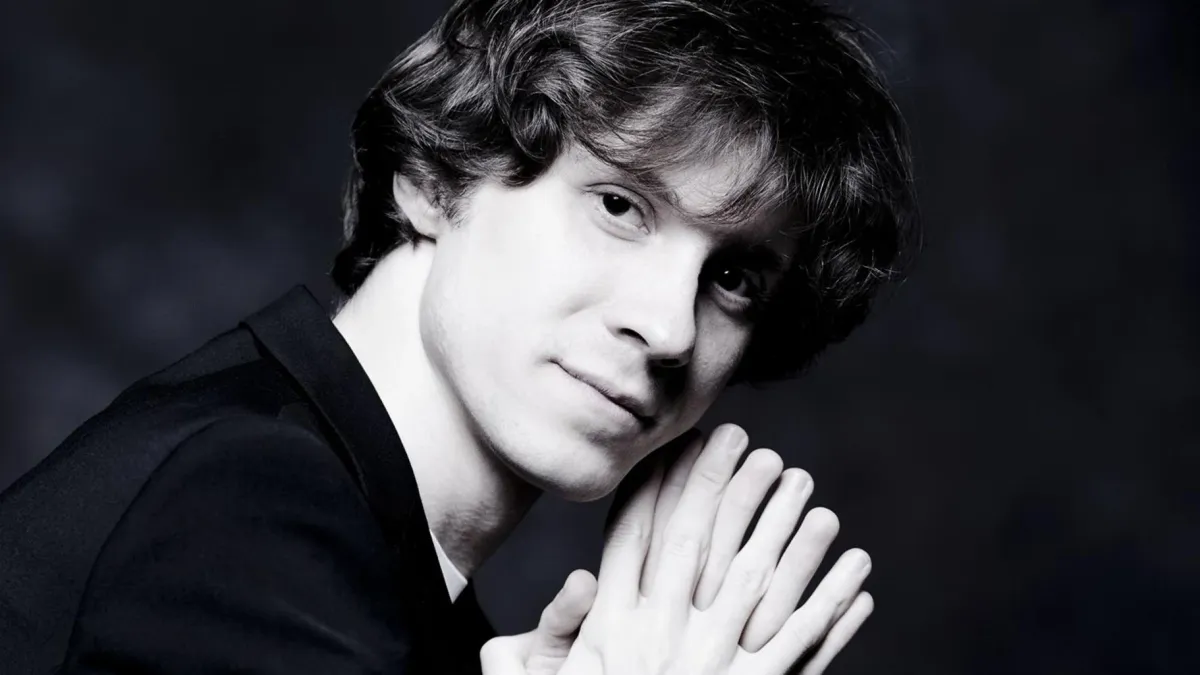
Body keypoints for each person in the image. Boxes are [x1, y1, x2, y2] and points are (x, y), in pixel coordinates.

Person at [0, 0, 917, 672]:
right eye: (619, 205)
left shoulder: (382, 581)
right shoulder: (251, 501)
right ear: (434, 177)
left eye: (733, 278)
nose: (671, 328)